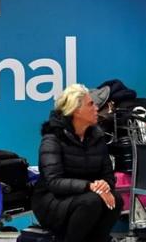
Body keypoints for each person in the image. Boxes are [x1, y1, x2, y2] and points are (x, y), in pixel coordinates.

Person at [31, 84, 123, 242]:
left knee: (116, 199)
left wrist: (105, 184)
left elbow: (107, 175)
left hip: (85, 197)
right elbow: (54, 182)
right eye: (90, 104)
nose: (96, 108)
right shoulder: (52, 139)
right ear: (75, 110)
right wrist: (90, 186)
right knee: (91, 202)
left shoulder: (97, 137)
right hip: (52, 201)